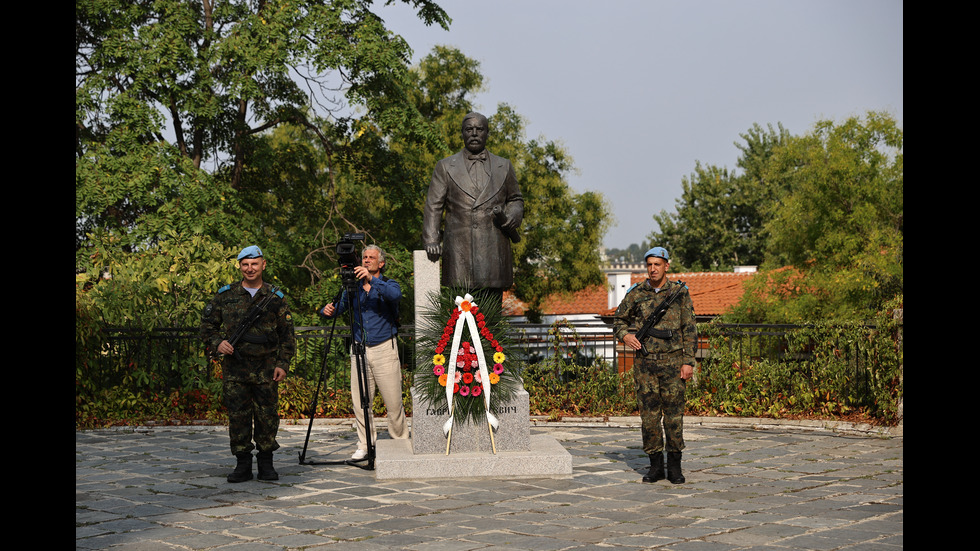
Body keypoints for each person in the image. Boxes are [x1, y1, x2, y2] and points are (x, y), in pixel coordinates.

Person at [200, 245, 296, 483]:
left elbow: (287, 335)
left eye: (254, 263)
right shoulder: (226, 295)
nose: (250, 268)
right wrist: (217, 343)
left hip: (266, 368)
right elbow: (206, 326)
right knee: (238, 416)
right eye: (245, 264)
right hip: (236, 369)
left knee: (267, 415)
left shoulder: (275, 298)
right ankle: (242, 463)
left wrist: (283, 364)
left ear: (263, 265)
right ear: (239, 266)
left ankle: (266, 463)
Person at [613, 247, 696, 484]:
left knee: (673, 416)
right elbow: (619, 320)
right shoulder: (636, 293)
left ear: (666, 266)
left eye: (657, 264)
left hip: (673, 364)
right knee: (649, 417)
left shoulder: (679, 294)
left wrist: (688, 361)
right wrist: (626, 336)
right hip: (645, 365)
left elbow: (689, 329)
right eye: (649, 264)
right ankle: (655, 467)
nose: (653, 269)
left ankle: (675, 467)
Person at [422, 112, 524, 305]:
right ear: (462, 133)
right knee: (460, 320)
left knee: (491, 321)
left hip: (493, 248)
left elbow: (516, 198)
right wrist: (431, 240)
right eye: (469, 129)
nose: (474, 133)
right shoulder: (445, 166)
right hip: (460, 250)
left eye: (479, 129)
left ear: (487, 133)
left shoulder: (504, 166)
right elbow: (434, 205)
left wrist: (513, 214)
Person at [320, 245, 409, 460]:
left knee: (393, 401)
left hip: (384, 349)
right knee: (360, 402)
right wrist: (326, 311)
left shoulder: (388, 283)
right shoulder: (353, 288)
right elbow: (338, 308)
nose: (367, 260)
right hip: (359, 349)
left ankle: (400, 442)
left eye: (371, 258)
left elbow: (395, 296)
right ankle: (366, 444)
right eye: (364, 257)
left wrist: (371, 279)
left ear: (381, 263)